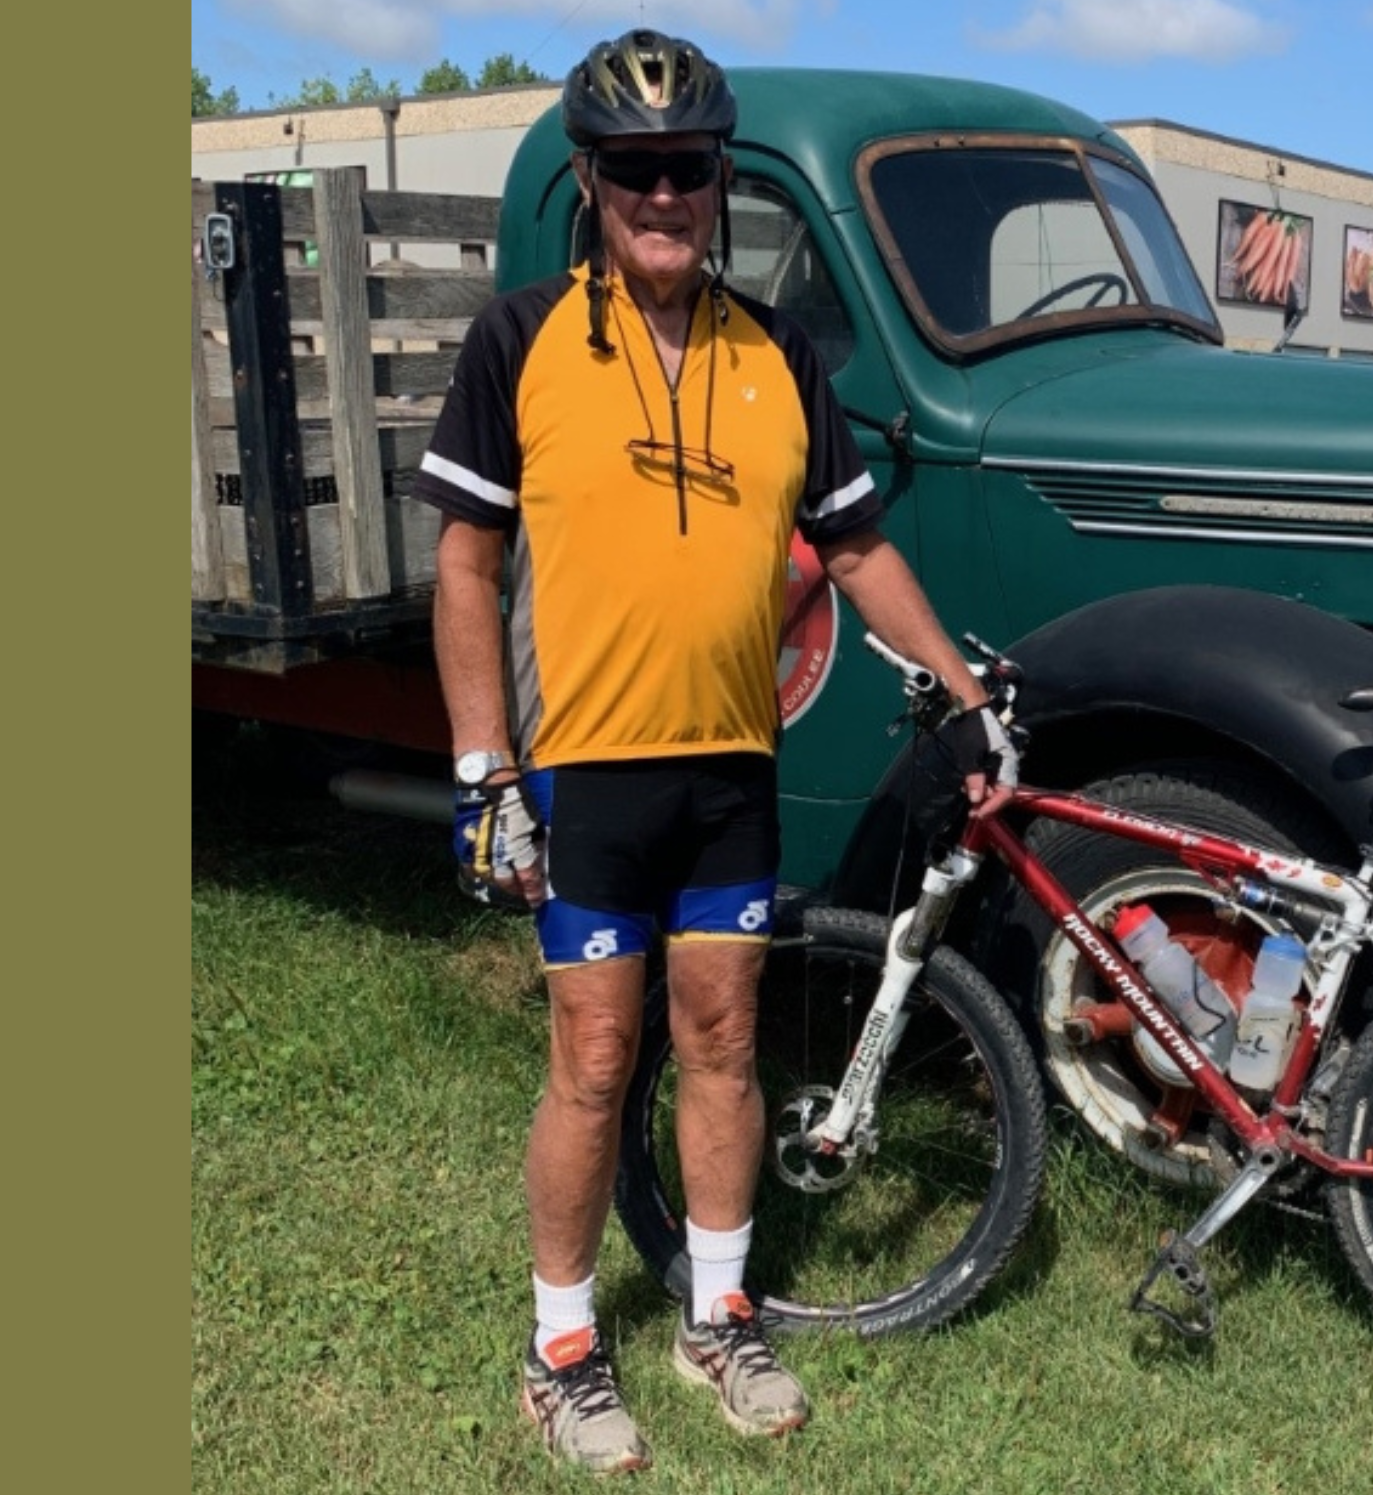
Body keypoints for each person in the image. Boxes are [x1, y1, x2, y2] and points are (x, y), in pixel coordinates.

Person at [415, 28, 1016, 1474]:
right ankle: (561, 1348)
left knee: (725, 1041)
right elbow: (461, 566)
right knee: (593, 1055)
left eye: (684, 166)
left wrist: (962, 685)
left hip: (726, 767)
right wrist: (483, 770)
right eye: (632, 169)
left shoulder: (777, 354)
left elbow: (855, 545)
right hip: (583, 769)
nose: (661, 194)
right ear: (590, 178)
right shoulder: (521, 340)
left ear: (718, 176)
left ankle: (716, 1314)